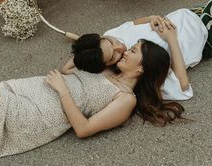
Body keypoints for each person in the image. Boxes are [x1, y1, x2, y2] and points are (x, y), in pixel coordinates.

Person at [0, 38, 184, 157]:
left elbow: (84, 129)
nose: (126, 52)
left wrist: (62, 90)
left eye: (132, 51)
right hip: (26, 90)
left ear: (141, 67)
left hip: (35, 113)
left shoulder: (125, 99)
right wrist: (111, 46)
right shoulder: (107, 69)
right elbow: (68, 67)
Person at [66, 7, 209, 100]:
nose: (120, 47)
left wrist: (150, 18)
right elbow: (182, 86)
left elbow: (132, 24)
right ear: (106, 66)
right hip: (203, 34)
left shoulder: (110, 34)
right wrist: (171, 39)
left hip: (188, 13)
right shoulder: (137, 66)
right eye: (114, 56)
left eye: (111, 42)